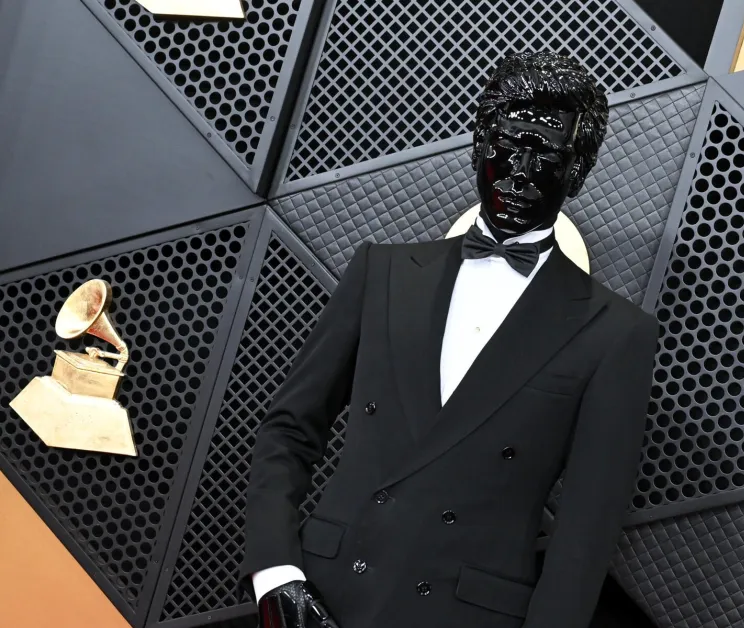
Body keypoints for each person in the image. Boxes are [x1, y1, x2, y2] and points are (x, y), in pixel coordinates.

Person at [240, 50, 659, 628]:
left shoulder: (616, 332)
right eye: (507, 143)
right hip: (319, 597)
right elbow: (290, 427)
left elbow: (587, 532)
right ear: (479, 144)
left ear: (578, 172)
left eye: (546, 154)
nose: (520, 170)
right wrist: (274, 572)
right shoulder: (380, 272)